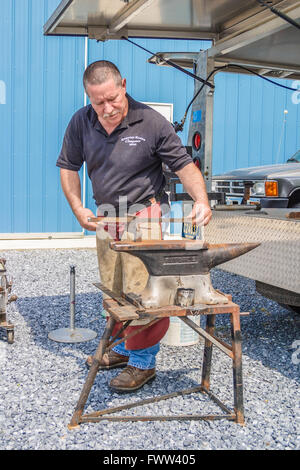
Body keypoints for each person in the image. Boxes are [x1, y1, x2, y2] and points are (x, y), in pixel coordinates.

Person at [56, 60, 212, 392]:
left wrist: (201, 199)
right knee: (115, 292)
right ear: (88, 96)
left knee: (145, 294)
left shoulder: (152, 122)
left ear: (123, 84)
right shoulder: (81, 123)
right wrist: (77, 206)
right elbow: (68, 166)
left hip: (146, 215)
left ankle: (144, 364)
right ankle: (125, 348)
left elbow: (183, 165)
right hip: (106, 216)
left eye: (112, 98)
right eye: (98, 102)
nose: (107, 108)